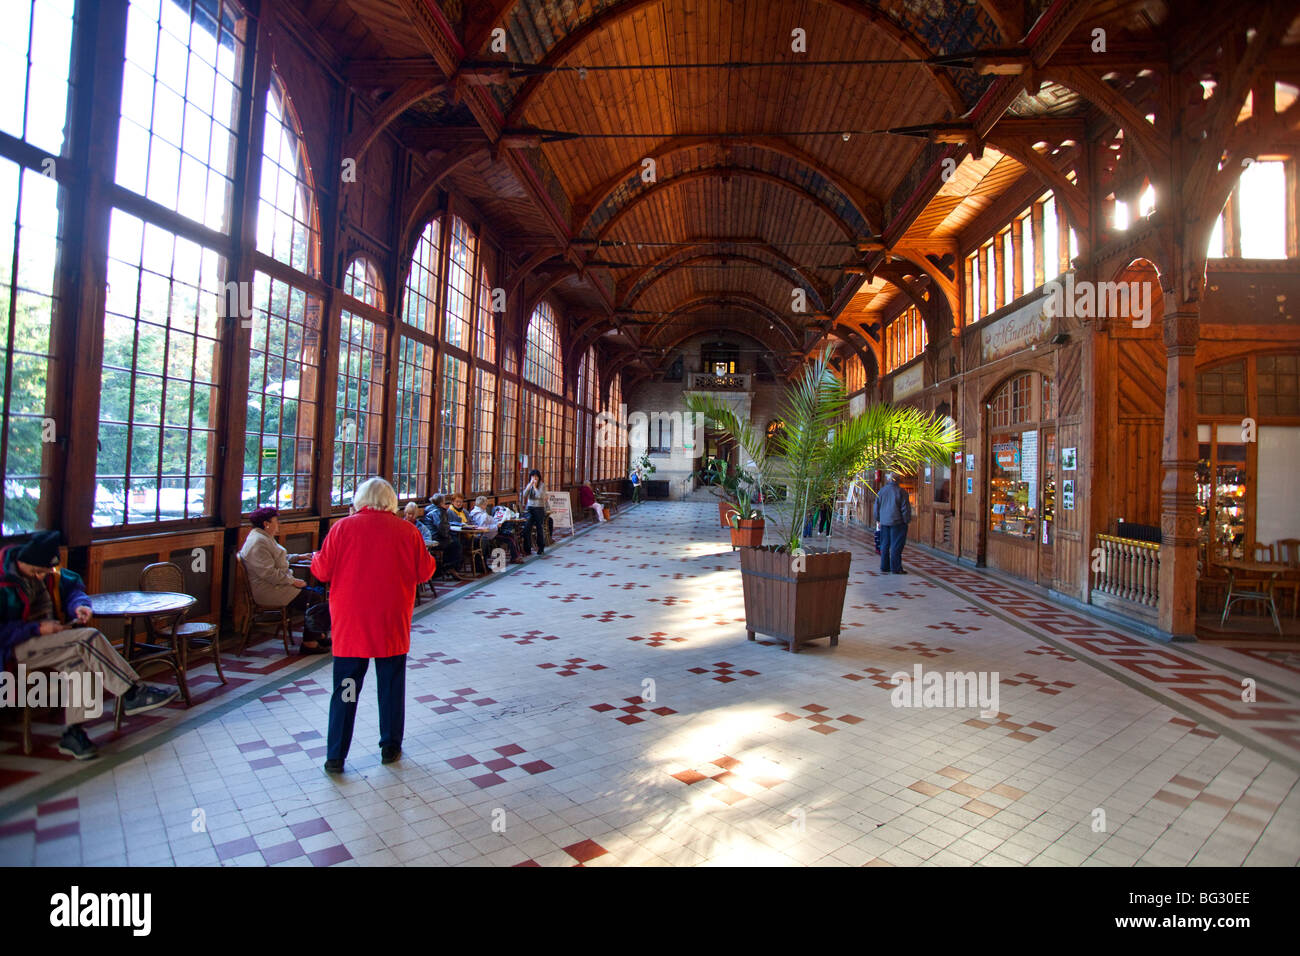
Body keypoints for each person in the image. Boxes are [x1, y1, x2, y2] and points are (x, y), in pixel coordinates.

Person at [0, 531, 180, 760]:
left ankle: (73, 733)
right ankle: (132, 693)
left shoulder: (47, 573)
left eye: (44, 573)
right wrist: (37, 629)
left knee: (79, 663)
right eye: (36, 572)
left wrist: (79, 606)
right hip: (13, 648)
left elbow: (73, 588)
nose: (39, 578)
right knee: (87, 638)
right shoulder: (3, 581)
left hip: (48, 642)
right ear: (22, 562)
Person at [313, 477, 435, 774]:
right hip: (390, 620)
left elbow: (322, 570)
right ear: (391, 501)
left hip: (351, 623)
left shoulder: (342, 528)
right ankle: (390, 746)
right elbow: (425, 571)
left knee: (346, 688)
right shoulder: (406, 531)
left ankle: (336, 755)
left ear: (360, 499)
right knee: (390, 685)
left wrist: (317, 556)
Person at [238, 506, 328, 655]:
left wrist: (298, 557)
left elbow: (277, 559)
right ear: (266, 523)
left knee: (316, 593)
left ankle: (317, 634)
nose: (278, 524)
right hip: (269, 589)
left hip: (277, 585)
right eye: (275, 521)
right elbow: (269, 573)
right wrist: (293, 582)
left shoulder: (263, 537)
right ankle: (309, 642)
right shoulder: (258, 542)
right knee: (314, 599)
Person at [873, 472, 912, 574]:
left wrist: (878, 519)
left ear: (888, 480)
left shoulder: (881, 491)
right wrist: (906, 520)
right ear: (898, 480)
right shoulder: (901, 492)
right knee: (896, 545)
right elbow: (905, 509)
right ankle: (896, 568)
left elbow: (876, 507)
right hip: (898, 522)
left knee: (884, 544)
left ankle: (884, 566)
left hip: (884, 522)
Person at [469, 495, 521, 564]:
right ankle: (515, 557)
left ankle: (516, 556)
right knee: (510, 538)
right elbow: (483, 527)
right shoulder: (479, 514)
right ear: (482, 505)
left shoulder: (479, 511)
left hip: (491, 532)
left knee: (510, 535)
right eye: (485, 504)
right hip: (488, 534)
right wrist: (496, 525)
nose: (486, 506)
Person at [423, 494, 465, 578]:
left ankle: (448, 568)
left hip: (430, 536)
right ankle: (449, 567)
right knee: (456, 544)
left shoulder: (428, 509)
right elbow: (442, 529)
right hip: (436, 538)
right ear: (442, 502)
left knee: (454, 541)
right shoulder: (439, 511)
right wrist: (448, 534)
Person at [520, 469, 548, 556]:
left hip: (539, 508)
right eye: (532, 476)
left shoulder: (542, 485)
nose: (534, 478)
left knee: (539, 528)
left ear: (539, 477)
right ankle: (527, 549)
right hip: (530, 508)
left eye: (536, 476)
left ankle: (541, 548)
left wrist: (535, 487)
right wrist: (529, 486)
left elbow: (540, 495)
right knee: (527, 528)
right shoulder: (529, 484)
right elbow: (524, 495)